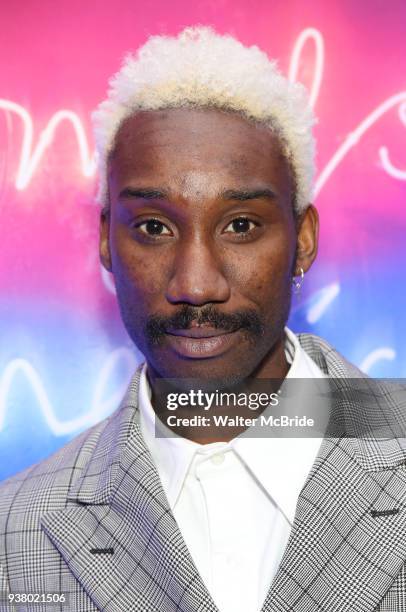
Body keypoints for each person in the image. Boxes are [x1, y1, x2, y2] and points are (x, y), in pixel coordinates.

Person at [0, 25, 405, 612]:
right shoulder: (17, 530)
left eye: (240, 224)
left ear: (304, 240)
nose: (195, 285)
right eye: (153, 227)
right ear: (106, 242)